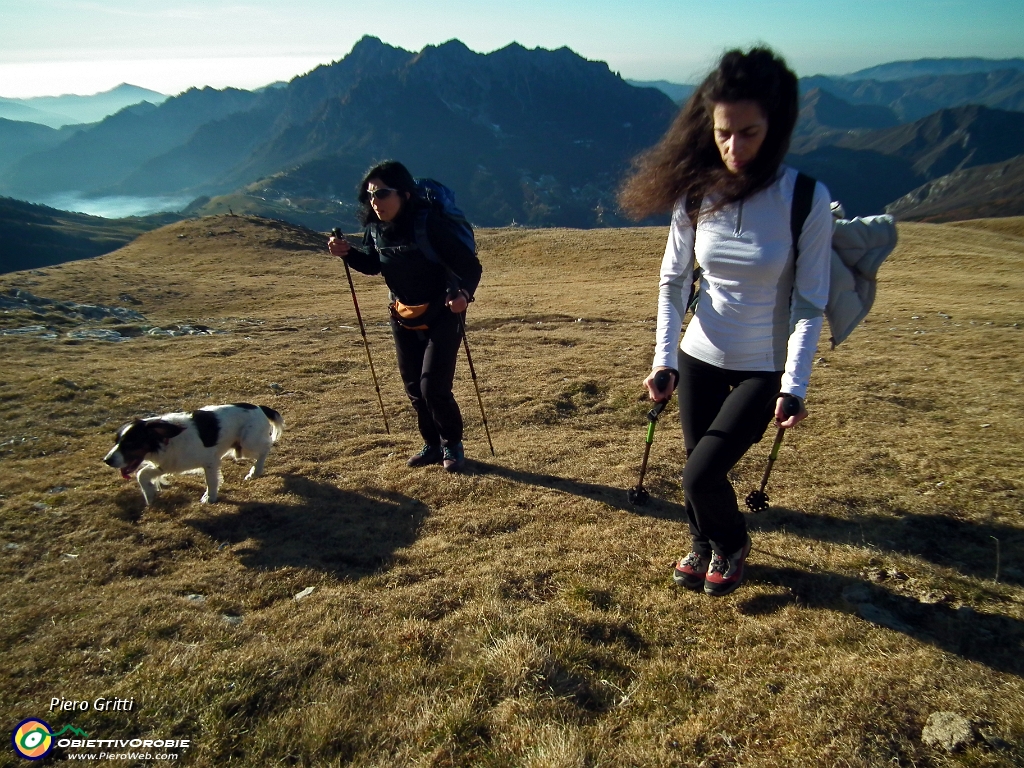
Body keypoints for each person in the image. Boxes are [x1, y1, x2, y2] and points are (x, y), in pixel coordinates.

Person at [618, 48, 832, 596]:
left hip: (764, 366)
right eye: (722, 133)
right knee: (699, 464)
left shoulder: (804, 198)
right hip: (699, 355)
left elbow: (809, 304)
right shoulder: (695, 193)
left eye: (750, 133)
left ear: (776, 127)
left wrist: (795, 385)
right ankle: (702, 543)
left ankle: (732, 544)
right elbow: (673, 281)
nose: (734, 148)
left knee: (700, 473)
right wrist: (664, 358)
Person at [328, 161, 482, 472]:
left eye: (383, 194)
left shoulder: (430, 225)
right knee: (414, 387)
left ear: (405, 194)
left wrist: (464, 295)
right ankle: (432, 446)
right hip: (402, 313)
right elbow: (373, 265)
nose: (375, 202)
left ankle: (452, 443)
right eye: (370, 196)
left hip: (445, 311)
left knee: (433, 387)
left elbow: (470, 267)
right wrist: (348, 253)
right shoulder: (375, 229)